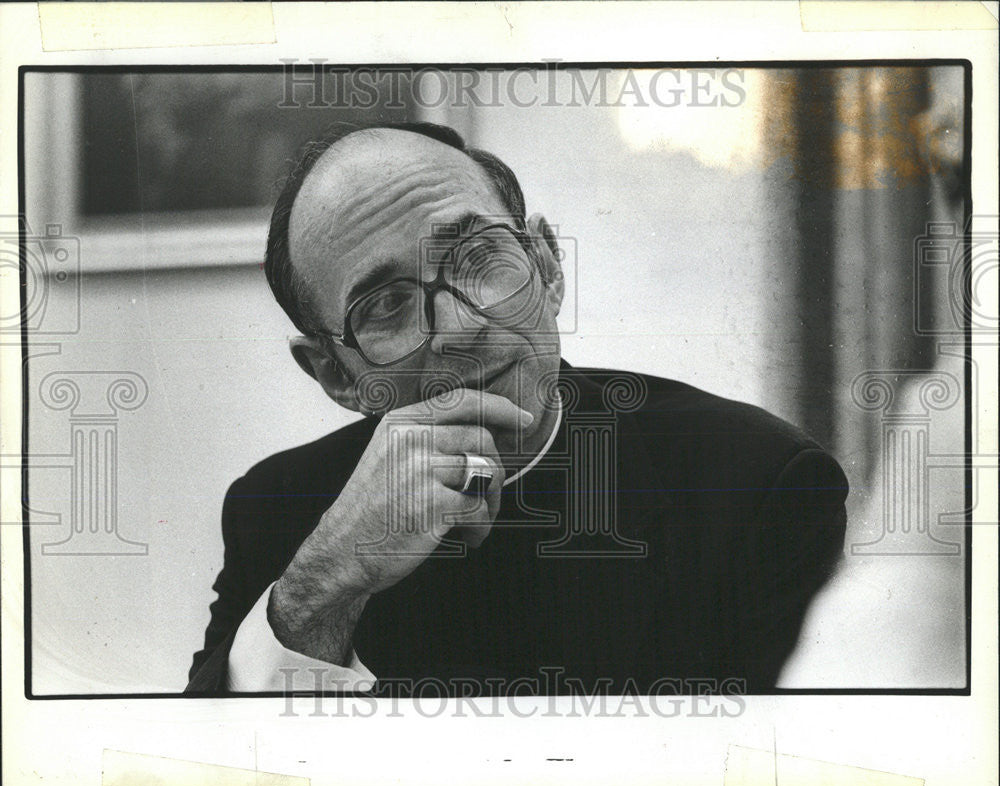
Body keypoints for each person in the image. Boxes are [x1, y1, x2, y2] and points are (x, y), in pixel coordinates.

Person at [186, 122, 848, 696]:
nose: (458, 326)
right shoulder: (276, 511)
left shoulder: (756, 479)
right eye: (386, 303)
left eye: (479, 258)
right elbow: (207, 771)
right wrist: (324, 586)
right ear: (335, 373)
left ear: (547, 264)